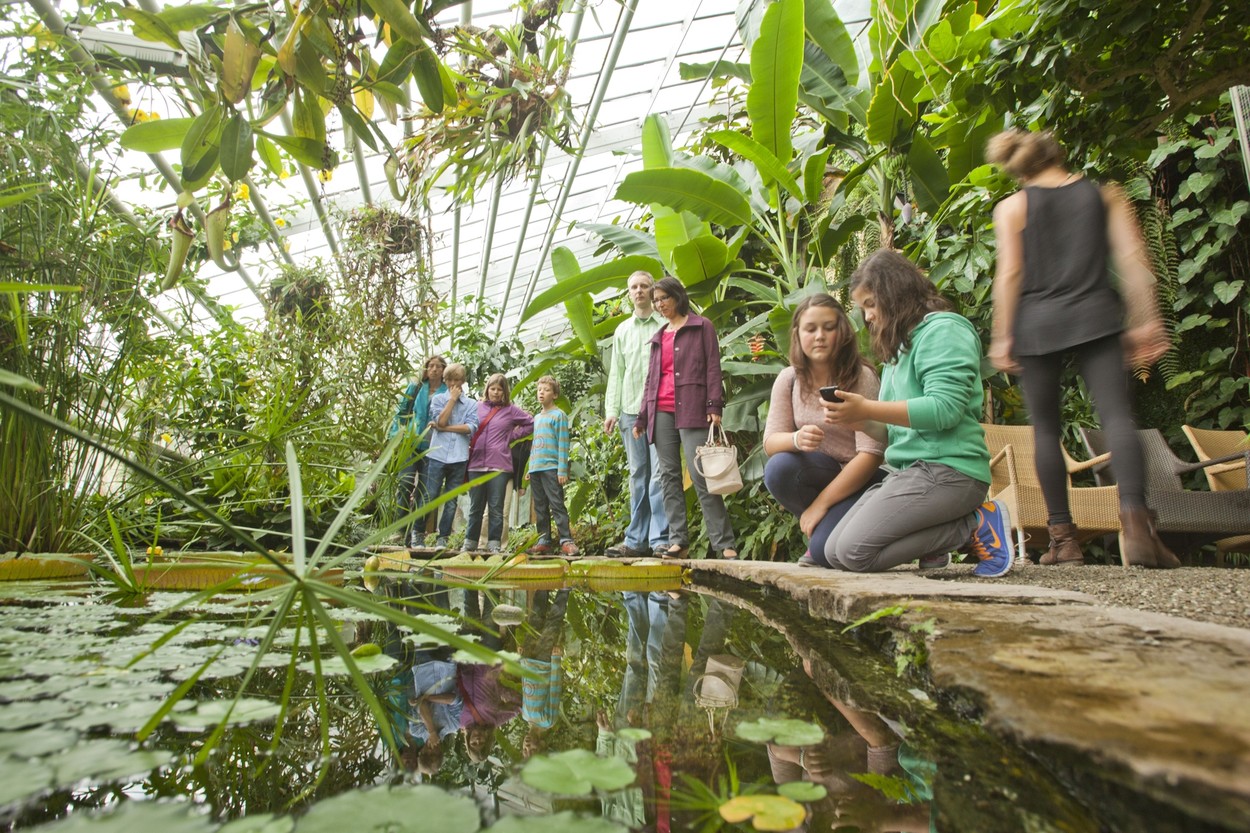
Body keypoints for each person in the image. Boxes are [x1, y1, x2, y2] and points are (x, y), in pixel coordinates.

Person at [985, 128, 1178, 568]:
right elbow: (1133, 259)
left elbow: (1010, 273)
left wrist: (1002, 335)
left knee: (1045, 430)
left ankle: (1063, 541)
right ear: (1059, 154)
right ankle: (1137, 528)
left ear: (1018, 170)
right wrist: (1146, 320)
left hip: (1037, 323)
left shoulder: (1012, 207)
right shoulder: (1104, 195)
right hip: (1096, 315)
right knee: (1117, 417)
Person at [823, 250, 1014, 577]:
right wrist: (861, 421)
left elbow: (945, 409)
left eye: (871, 304)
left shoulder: (944, 331)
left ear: (893, 293)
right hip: (910, 471)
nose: (868, 316)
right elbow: (896, 432)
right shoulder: (899, 349)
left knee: (854, 553)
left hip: (950, 470)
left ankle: (974, 526)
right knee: (834, 553)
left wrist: (867, 407)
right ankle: (937, 543)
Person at [763, 294, 887, 568]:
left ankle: (827, 530)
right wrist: (797, 439)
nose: (819, 336)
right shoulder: (789, 379)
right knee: (779, 468)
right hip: (819, 471)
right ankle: (827, 528)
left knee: (822, 555)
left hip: (863, 479)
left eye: (828, 328)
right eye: (810, 329)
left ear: (842, 332)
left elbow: (872, 454)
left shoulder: (861, 377)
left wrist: (820, 504)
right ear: (797, 334)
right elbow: (771, 442)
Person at [634, 277, 738, 560]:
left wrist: (714, 404)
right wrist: (642, 417)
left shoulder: (702, 326)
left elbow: (713, 367)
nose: (659, 305)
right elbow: (651, 380)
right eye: (656, 301)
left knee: (701, 474)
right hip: (661, 411)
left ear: (677, 297)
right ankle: (678, 541)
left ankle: (724, 543)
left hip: (693, 408)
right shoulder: (659, 336)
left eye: (663, 298)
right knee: (668, 477)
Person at [603, 270, 669, 557]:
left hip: (661, 410)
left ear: (652, 290)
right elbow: (616, 373)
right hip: (630, 411)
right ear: (628, 293)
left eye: (644, 286)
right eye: (634, 287)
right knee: (638, 474)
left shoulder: (665, 325)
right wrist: (611, 411)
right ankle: (636, 541)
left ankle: (660, 539)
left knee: (659, 475)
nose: (639, 290)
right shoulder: (622, 331)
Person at [460, 373, 533, 553]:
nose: (495, 392)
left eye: (499, 389)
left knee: (496, 507)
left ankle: (494, 544)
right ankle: (470, 542)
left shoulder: (510, 410)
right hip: (476, 464)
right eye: (492, 389)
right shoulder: (476, 407)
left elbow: (531, 423)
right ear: (487, 390)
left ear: (504, 392)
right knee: (475, 507)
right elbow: (464, 425)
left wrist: (511, 436)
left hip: (499, 465)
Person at [388, 355, 448, 547]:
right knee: (404, 484)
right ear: (426, 369)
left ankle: (416, 532)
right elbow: (401, 413)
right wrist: (396, 436)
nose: (435, 369)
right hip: (410, 444)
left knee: (426, 491)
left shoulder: (447, 392)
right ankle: (400, 530)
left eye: (439, 366)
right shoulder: (415, 388)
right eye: (431, 366)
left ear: (444, 370)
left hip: (433, 447)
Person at [424, 363, 478, 548]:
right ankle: (417, 532)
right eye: (450, 380)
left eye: (457, 380)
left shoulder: (471, 404)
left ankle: (443, 537)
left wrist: (444, 428)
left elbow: (469, 428)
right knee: (431, 494)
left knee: (451, 500)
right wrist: (452, 400)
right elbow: (441, 420)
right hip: (437, 455)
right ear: (445, 381)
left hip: (459, 457)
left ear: (463, 381)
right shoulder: (438, 399)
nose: (454, 384)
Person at [525, 375, 578, 556]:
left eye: (546, 390)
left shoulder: (559, 415)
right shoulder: (537, 417)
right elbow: (535, 444)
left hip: (551, 468)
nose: (541, 393)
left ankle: (566, 540)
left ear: (554, 395)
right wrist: (530, 468)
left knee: (556, 504)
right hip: (536, 468)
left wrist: (562, 469)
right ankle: (544, 540)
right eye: (539, 389)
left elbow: (563, 443)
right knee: (539, 507)